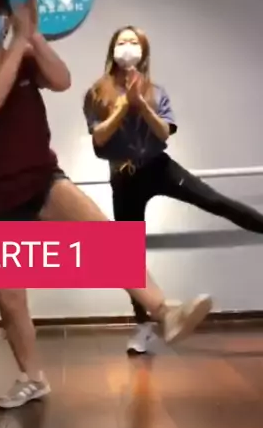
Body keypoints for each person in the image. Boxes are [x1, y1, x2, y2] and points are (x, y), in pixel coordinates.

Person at [0, 0, 212, 410]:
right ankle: (32, 379)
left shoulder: (26, 57)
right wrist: (19, 40)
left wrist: (33, 35)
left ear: (7, 18)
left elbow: (62, 80)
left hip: (43, 179)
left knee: (106, 240)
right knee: (11, 301)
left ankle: (165, 312)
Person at [84, 25, 263, 355]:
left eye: (134, 42)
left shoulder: (156, 91)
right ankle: (143, 327)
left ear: (144, 52)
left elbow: (164, 133)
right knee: (127, 254)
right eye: (122, 42)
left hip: (159, 167)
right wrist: (123, 106)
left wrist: (141, 104)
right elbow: (99, 139)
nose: (127, 47)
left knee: (216, 201)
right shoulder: (97, 93)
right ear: (112, 50)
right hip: (124, 177)